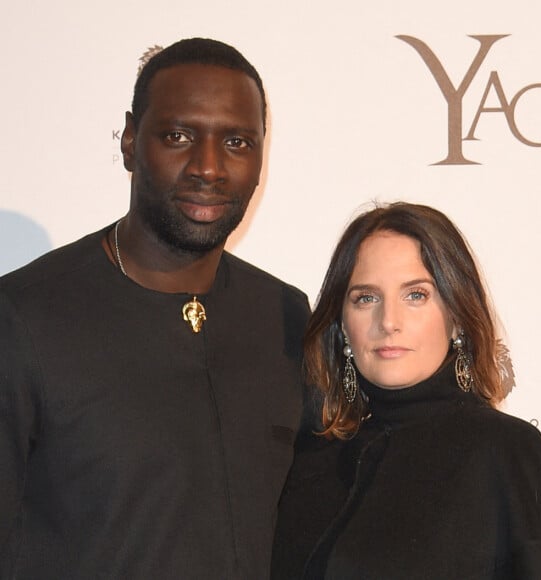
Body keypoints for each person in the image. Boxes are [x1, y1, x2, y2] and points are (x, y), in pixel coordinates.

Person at [0, 38, 310, 579]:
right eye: (179, 136)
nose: (208, 167)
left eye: (237, 141)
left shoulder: (284, 316)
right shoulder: (24, 317)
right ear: (128, 141)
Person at [271, 202, 541, 579]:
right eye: (365, 298)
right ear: (341, 325)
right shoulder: (306, 457)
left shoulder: (507, 452)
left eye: (415, 295)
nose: (388, 321)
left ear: (456, 317)